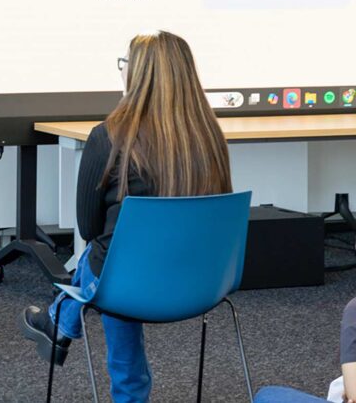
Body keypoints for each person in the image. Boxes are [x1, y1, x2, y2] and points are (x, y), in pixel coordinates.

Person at [21, 30, 232, 401]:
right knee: (117, 255)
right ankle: (59, 321)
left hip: (131, 286)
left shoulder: (109, 136)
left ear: (137, 76)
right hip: (203, 284)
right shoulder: (210, 136)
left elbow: (87, 227)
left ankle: (63, 325)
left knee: (109, 255)